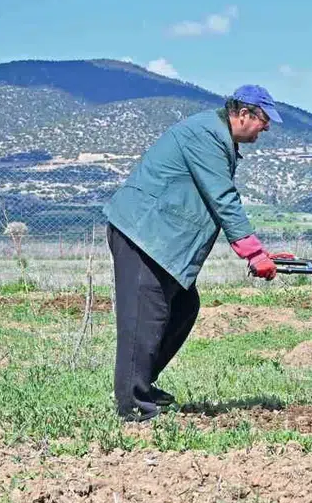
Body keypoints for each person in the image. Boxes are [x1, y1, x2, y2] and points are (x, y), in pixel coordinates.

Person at [102, 84, 293, 422]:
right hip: (142, 233)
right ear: (244, 113)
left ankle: (141, 383)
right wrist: (251, 252)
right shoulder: (206, 134)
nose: (267, 127)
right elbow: (222, 197)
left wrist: (260, 251)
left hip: (158, 238)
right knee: (143, 318)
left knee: (184, 307)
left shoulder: (216, 136)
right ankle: (133, 406)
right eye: (264, 120)